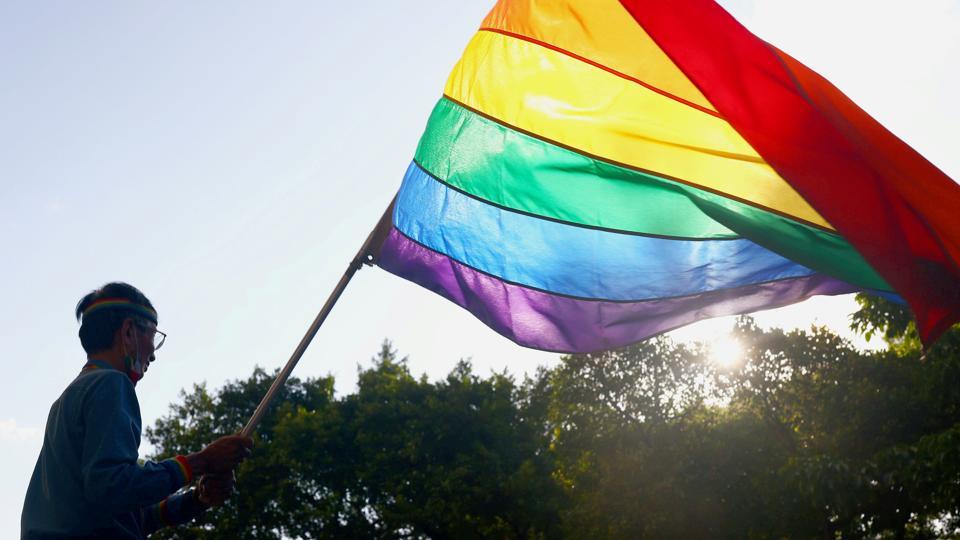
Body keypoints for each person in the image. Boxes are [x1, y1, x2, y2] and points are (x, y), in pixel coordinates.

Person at [22, 282, 254, 539]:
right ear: (129, 332)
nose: (153, 354)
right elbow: (113, 489)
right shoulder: (111, 383)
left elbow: (123, 515)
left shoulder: (69, 399)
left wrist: (197, 499)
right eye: (153, 336)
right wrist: (202, 461)